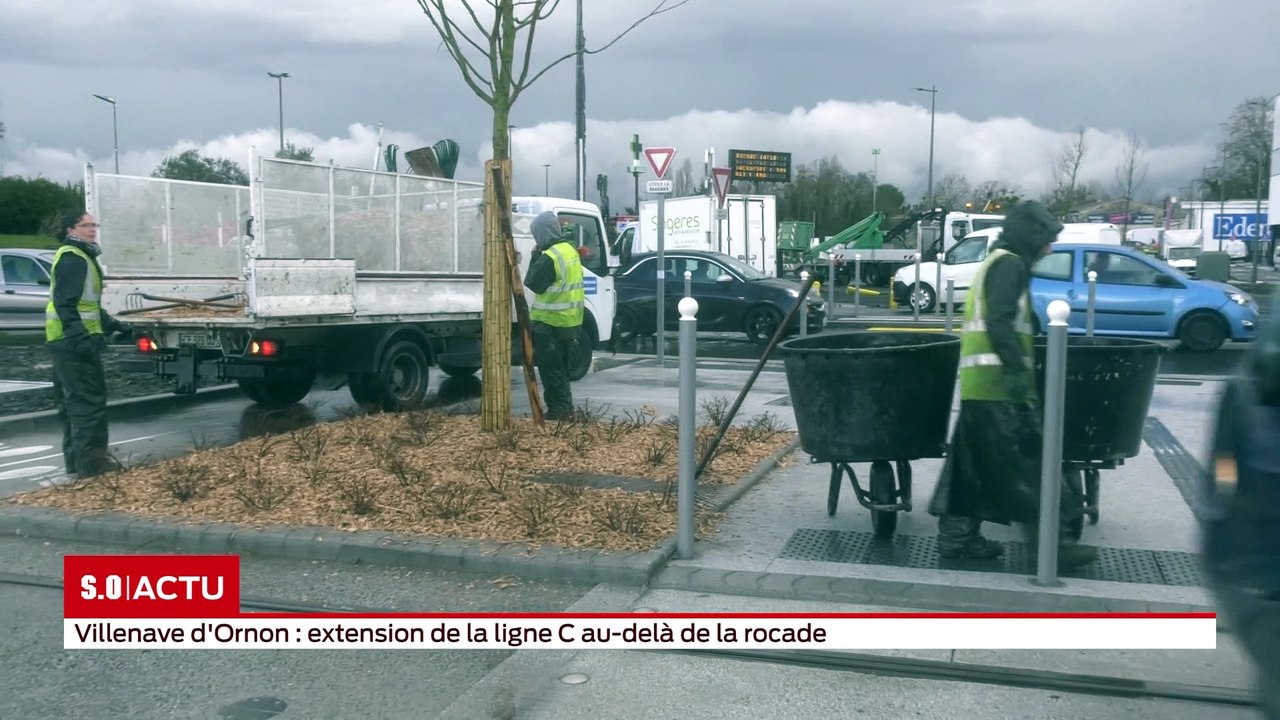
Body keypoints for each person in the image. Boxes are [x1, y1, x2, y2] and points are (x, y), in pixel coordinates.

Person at [929, 201, 1097, 569]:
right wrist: (1019, 376)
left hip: (980, 388)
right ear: (1031, 237)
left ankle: (958, 540)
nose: (1050, 249)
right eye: (1047, 241)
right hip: (1000, 390)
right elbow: (1000, 320)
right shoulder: (1010, 266)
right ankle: (1052, 549)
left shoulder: (997, 262)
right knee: (1032, 469)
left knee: (970, 470)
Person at [45, 210, 132, 479]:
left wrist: (114, 325)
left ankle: (77, 463)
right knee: (88, 404)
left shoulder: (80, 256)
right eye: (86, 225)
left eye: (94, 224)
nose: (92, 229)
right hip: (74, 344)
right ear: (71, 230)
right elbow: (66, 304)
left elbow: (88, 305)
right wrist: (81, 339)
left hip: (64, 341)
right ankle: (93, 466)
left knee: (72, 404)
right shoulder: (74, 258)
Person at [524, 211, 585, 421]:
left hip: (549, 323)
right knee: (562, 370)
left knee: (552, 371)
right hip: (570, 322)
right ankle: (565, 409)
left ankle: (559, 412)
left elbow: (533, 283)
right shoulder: (570, 251)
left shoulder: (549, 256)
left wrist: (534, 256)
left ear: (542, 233)